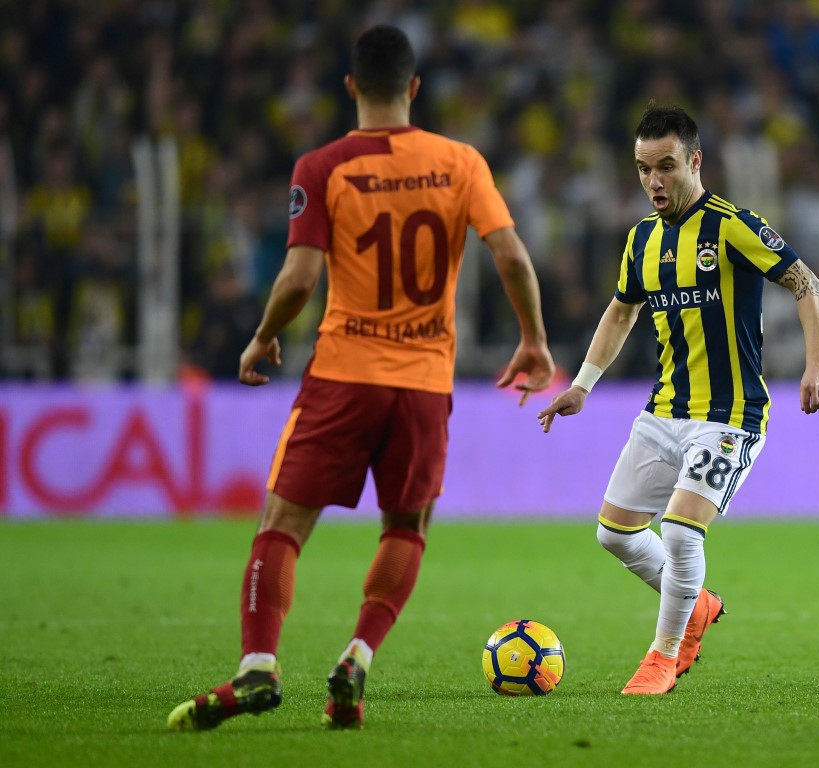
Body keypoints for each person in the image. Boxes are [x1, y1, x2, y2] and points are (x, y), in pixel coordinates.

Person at [168, 25, 554, 731]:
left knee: (283, 525)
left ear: (350, 87)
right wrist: (533, 339)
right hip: (425, 383)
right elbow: (512, 257)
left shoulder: (322, 166)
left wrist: (262, 336)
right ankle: (357, 655)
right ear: (414, 88)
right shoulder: (460, 161)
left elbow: (299, 278)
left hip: (344, 374)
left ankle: (258, 665)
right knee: (407, 525)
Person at [537, 103, 819, 695]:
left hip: (730, 416)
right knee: (614, 533)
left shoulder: (732, 225)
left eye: (666, 166)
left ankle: (663, 657)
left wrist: (816, 363)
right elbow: (621, 311)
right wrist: (582, 385)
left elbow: (806, 282)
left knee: (678, 532)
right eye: (644, 169)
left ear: (695, 161)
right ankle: (695, 603)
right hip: (664, 411)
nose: (654, 181)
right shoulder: (641, 238)